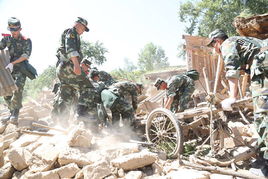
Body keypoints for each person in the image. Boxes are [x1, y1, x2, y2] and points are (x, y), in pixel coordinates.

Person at [207, 29, 268, 175]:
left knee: (263, 114)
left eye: (213, 46)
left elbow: (231, 70)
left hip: (263, 65)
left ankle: (266, 164)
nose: (215, 50)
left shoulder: (227, 44)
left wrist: (232, 97)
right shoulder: (245, 42)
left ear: (217, 41)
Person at [51, 17, 91, 126]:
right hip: (68, 67)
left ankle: (63, 123)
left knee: (66, 95)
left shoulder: (73, 34)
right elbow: (70, 49)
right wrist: (77, 65)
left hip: (63, 69)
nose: (83, 32)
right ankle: (81, 114)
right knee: (88, 87)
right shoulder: (72, 32)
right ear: (79, 25)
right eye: (83, 28)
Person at [0, 17, 34, 123]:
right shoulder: (6, 39)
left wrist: (12, 63)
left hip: (21, 68)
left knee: (17, 89)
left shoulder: (26, 40)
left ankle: (15, 114)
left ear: (20, 29)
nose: (13, 32)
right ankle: (11, 112)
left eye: (15, 30)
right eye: (11, 30)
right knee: (7, 92)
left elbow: (25, 55)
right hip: (8, 70)